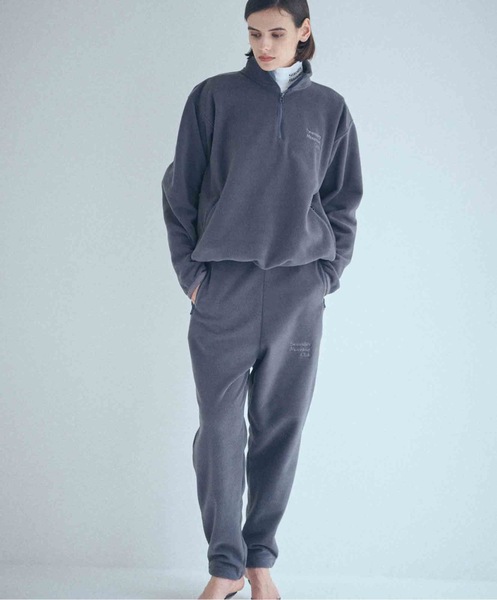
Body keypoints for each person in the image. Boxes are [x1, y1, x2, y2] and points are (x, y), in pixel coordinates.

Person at [162, 1, 363, 598]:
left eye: (277, 33)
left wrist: (328, 272)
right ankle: (224, 566)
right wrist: (192, 274)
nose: (265, 45)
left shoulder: (329, 109)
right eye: (254, 34)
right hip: (223, 288)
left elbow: (342, 199)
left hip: (298, 291)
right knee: (219, 431)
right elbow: (179, 190)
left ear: (304, 32)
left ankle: (258, 561)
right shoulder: (213, 97)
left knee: (281, 427)